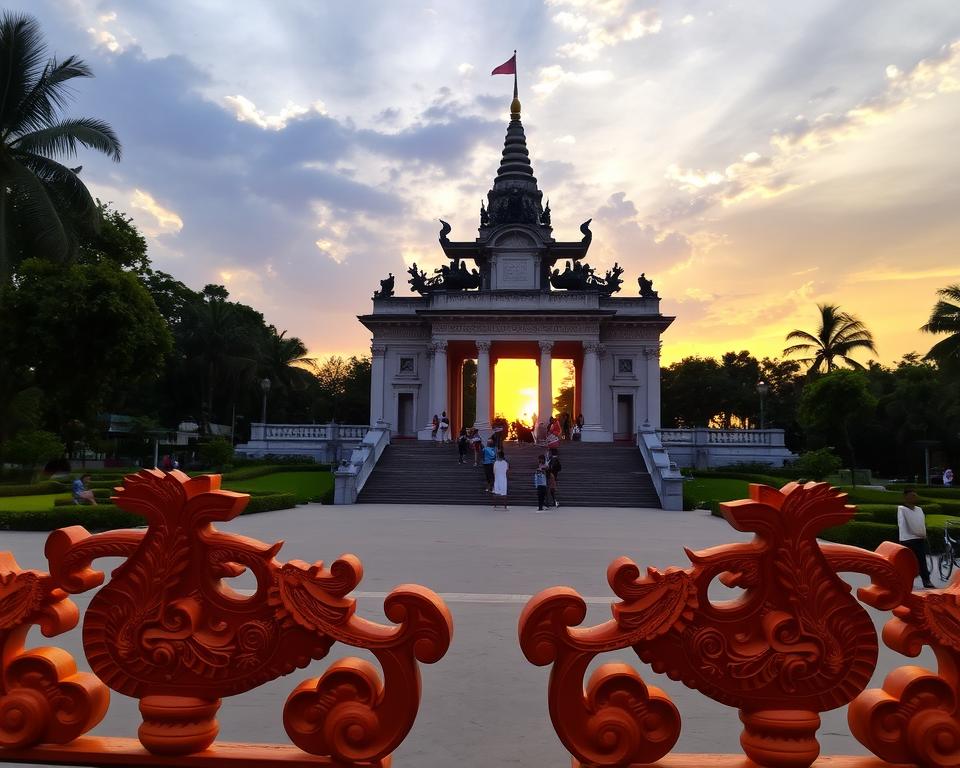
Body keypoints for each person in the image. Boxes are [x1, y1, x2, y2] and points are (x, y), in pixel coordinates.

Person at [898, 488, 935, 589]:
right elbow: (911, 526)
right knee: (908, 562)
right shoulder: (902, 509)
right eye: (912, 496)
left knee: (922, 560)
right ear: (906, 497)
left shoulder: (919, 509)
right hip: (908, 540)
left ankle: (926, 580)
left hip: (919, 539)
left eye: (915, 495)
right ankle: (906, 581)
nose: (915, 498)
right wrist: (921, 533)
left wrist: (923, 532)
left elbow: (921, 523)